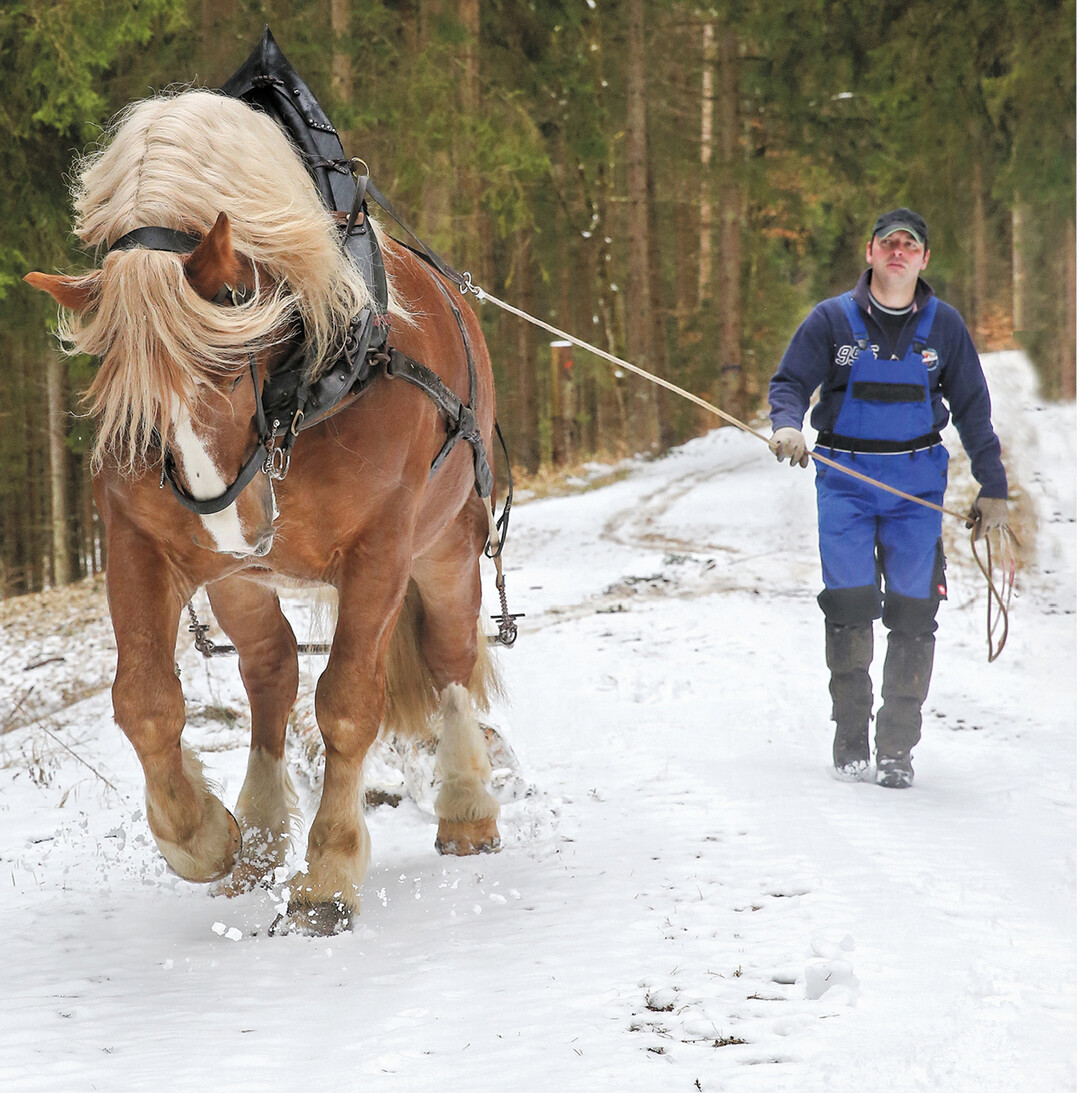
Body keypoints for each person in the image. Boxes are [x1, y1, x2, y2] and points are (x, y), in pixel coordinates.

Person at [767, 208, 1009, 788]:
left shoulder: (944, 327)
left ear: (924, 259)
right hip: (845, 481)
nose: (898, 251)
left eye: (910, 245)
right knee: (849, 606)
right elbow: (790, 383)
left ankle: (898, 748)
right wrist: (787, 424)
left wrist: (994, 487)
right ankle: (851, 736)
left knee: (913, 612)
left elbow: (973, 410)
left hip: (916, 489)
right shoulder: (831, 319)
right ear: (870, 252)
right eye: (888, 243)